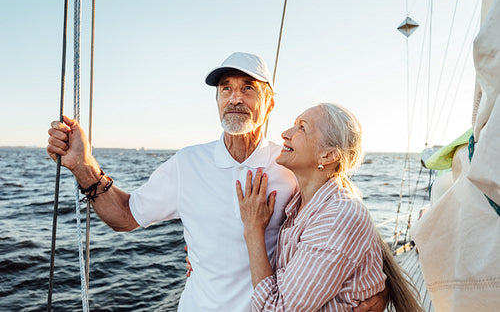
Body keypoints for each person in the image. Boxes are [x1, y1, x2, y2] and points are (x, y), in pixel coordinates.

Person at [47, 52, 387, 312]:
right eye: (226, 88)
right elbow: (124, 215)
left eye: (248, 89)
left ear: (269, 105)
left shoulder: (290, 165)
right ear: (217, 100)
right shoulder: (187, 163)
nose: (235, 98)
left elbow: (345, 223)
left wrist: (379, 289)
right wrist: (82, 165)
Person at [237, 103, 425, 311]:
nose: (285, 133)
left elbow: (276, 309)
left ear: (328, 156)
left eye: (302, 127)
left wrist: (253, 229)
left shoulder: (337, 216)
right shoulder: (299, 204)